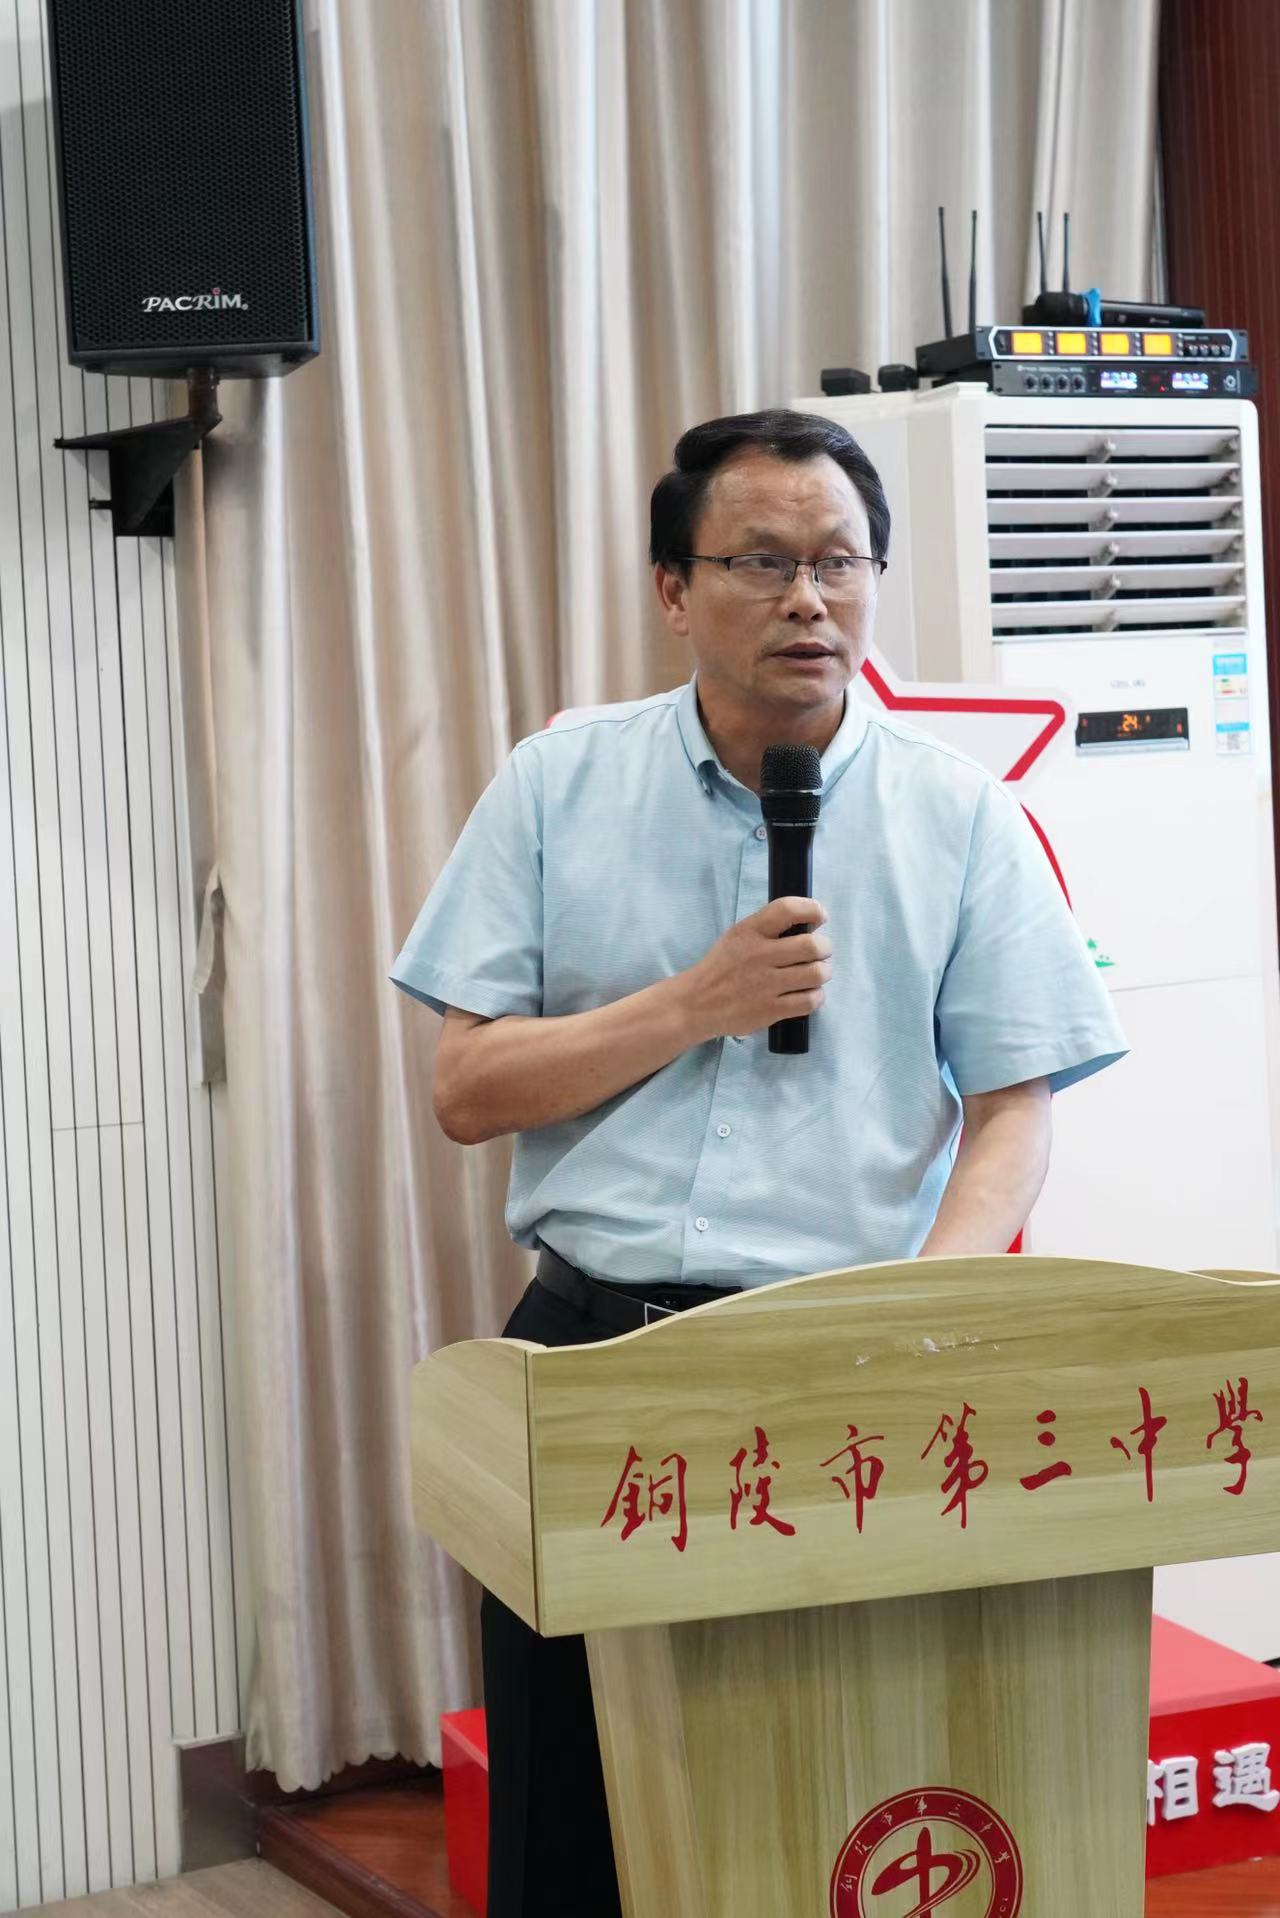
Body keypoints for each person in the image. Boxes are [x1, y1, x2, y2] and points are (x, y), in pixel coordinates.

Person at [390, 408, 1127, 1917]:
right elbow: (466, 1089)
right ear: (676, 588)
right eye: (764, 562)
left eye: (841, 563)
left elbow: (1013, 1108)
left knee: (832, 1795)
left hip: (842, 1367)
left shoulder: (959, 814)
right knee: (572, 1817)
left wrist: (919, 1320)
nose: (810, 600)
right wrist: (693, 1004)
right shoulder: (557, 784)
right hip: (593, 1361)